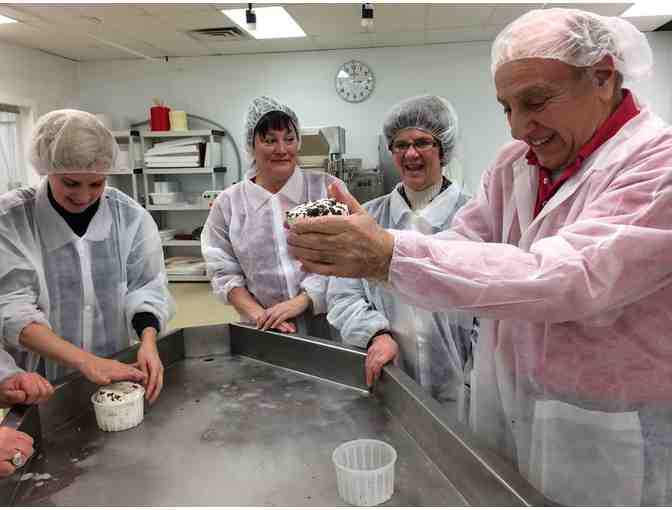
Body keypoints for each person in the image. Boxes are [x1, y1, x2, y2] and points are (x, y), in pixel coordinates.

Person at [287, 8, 672, 506]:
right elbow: (465, 243)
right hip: (508, 398)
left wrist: (387, 256)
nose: (518, 129)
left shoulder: (657, 167)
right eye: (506, 108)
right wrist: (373, 256)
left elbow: (568, 277)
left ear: (602, 76)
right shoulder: (518, 165)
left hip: (605, 422)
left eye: (535, 101)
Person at [0, 109, 174, 404]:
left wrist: (147, 341)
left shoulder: (129, 217)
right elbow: (12, 310)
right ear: (47, 169)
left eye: (96, 184)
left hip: (115, 370)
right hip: (40, 382)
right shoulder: (11, 219)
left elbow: (146, 286)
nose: (83, 196)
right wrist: (85, 361)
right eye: (70, 183)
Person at [327, 95, 476, 418]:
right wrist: (376, 334)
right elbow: (342, 293)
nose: (411, 153)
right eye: (400, 144)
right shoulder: (369, 217)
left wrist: (475, 373)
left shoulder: (474, 218)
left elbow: (495, 309)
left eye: (423, 142)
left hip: (463, 388)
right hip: (387, 373)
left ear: (443, 148)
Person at [202, 96, 346, 338]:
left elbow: (347, 256)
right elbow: (222, 270)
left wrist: (302, 301)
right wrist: (261, 316)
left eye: (289, 139)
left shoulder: (328, 189)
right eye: (270, 141)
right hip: (263, 329)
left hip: (329, 322)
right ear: (251, 145)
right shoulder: (229, 204)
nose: (282, 149)